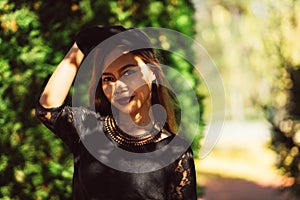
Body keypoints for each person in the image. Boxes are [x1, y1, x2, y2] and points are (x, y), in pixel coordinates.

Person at [36, 25, 197, 200]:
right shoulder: (88, 127)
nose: (118, 86)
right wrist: (79, 46)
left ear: (152, 73)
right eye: (108, 79)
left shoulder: (176, 152)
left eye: (128, 72)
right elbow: (48, 109)